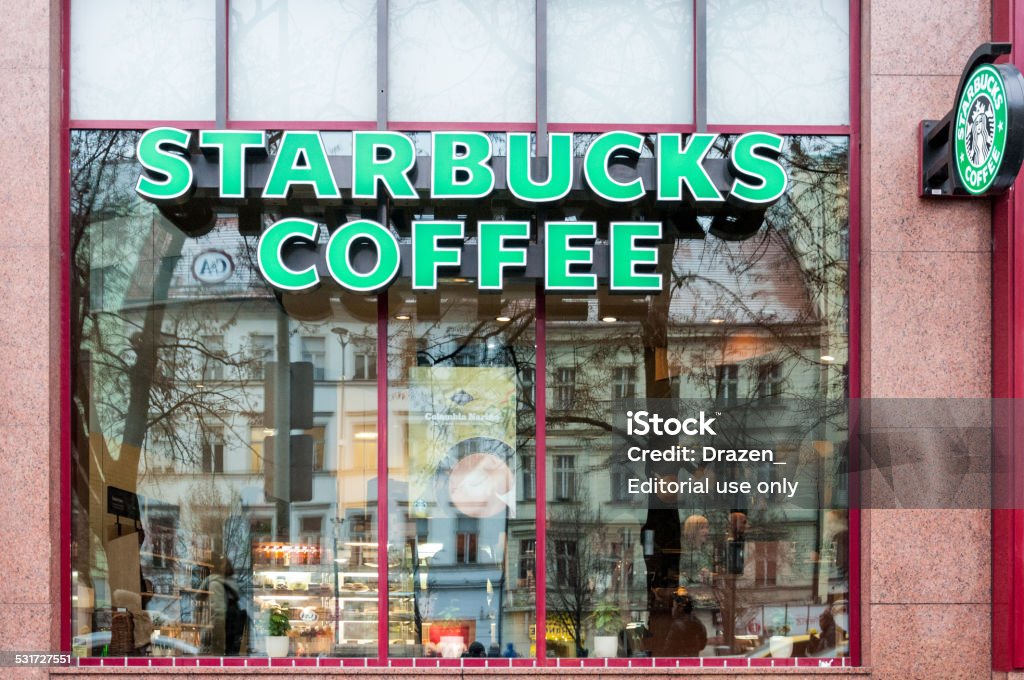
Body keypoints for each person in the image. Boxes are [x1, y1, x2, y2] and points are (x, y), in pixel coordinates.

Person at [203, 553, 246, 655]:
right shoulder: (233, 582)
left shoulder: (213, 582)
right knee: (232, 650)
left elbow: (218, 609)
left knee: (222, 650)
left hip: (224, 618)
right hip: (235, 617)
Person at [664, 588, 707, 656]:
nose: (673, 609)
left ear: (680, 607)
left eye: (674, 606)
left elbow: (668, 649)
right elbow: (702, 645)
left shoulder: (676, 626)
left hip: (678, 662)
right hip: (693, 660)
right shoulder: (698, 623)